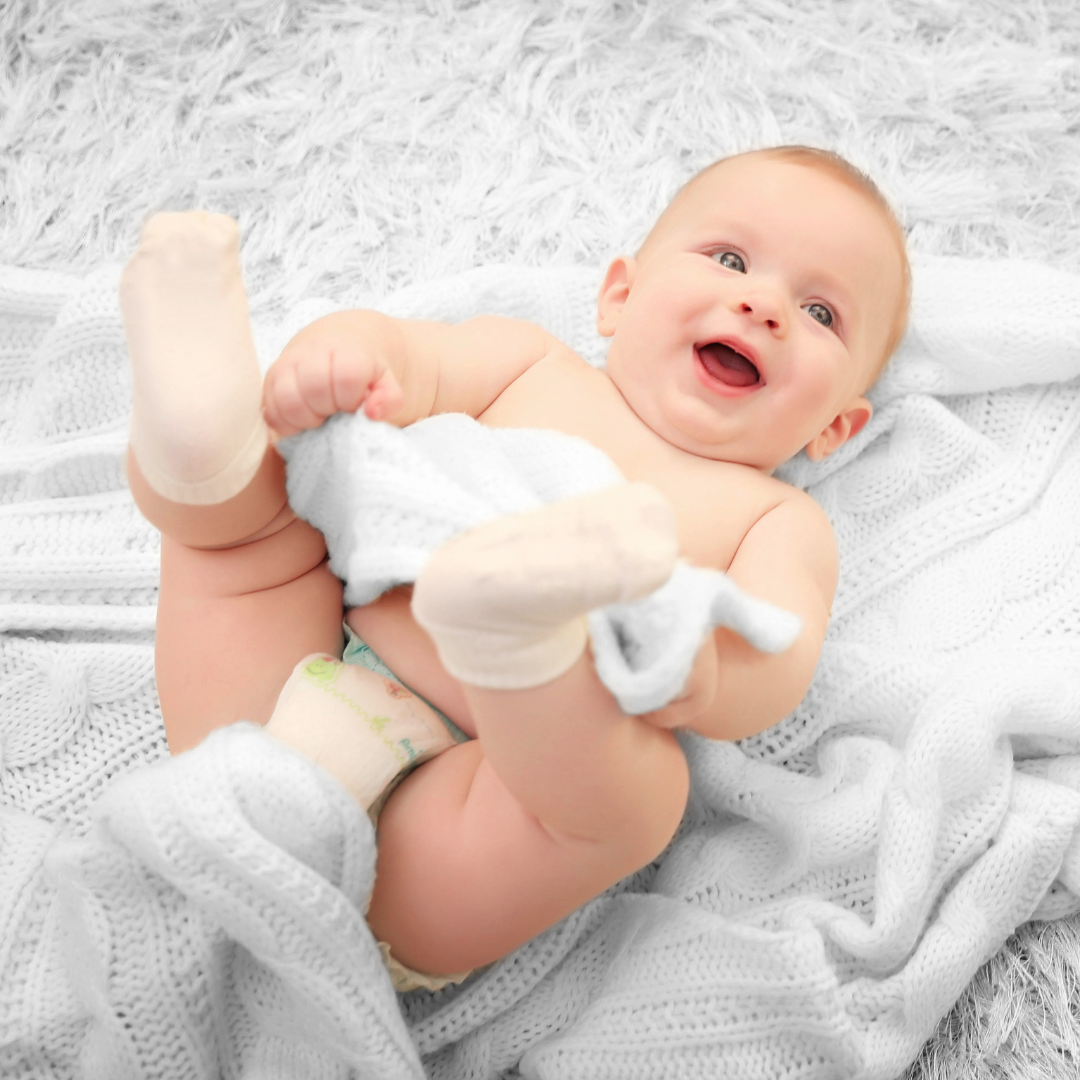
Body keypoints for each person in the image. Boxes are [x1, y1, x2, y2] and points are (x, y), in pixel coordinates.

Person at [120, 145, 910, 992]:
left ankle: (521, 641)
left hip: (453, 814)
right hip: (289, 670)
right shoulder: (528, 362)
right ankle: (199, 442)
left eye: (822, 312)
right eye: (729, 259)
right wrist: (347, 356)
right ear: (620, 295)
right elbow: (408, 362)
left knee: (640, 801)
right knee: (259, 521)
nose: (763, 305)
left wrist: (709, 670)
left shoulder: (777, 518)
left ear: (835, 427)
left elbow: (781, 648)